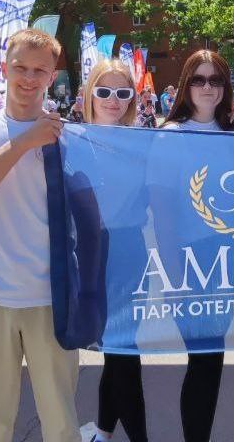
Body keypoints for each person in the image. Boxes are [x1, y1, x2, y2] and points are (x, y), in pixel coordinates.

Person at [0, 29, 82, 442]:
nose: (28, 78)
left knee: (61, 425)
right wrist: (25, 142)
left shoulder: (69, 136)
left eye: (39, 70)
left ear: (52, 75)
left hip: (50, 299)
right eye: (20, 67)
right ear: (5, 67)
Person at [161, 50, 234, 442]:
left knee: (213, 360)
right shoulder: (169, 135)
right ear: (186, 86)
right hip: (190, 264)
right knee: (202, 359)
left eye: (215, 80)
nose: (207, 87)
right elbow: (162, 215)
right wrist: (173, 272)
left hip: (232, 261)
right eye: (199, 79)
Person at [77, 60, 147, 442]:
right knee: (117, 353)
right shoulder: (70, 139)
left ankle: (107, 434)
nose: (113, 100)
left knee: (123, 352)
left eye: (123, 93)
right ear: (90, 94)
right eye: (104, 91)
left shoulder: (142, 141)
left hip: (130, 254)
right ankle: (105, 432)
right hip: (90, 257)